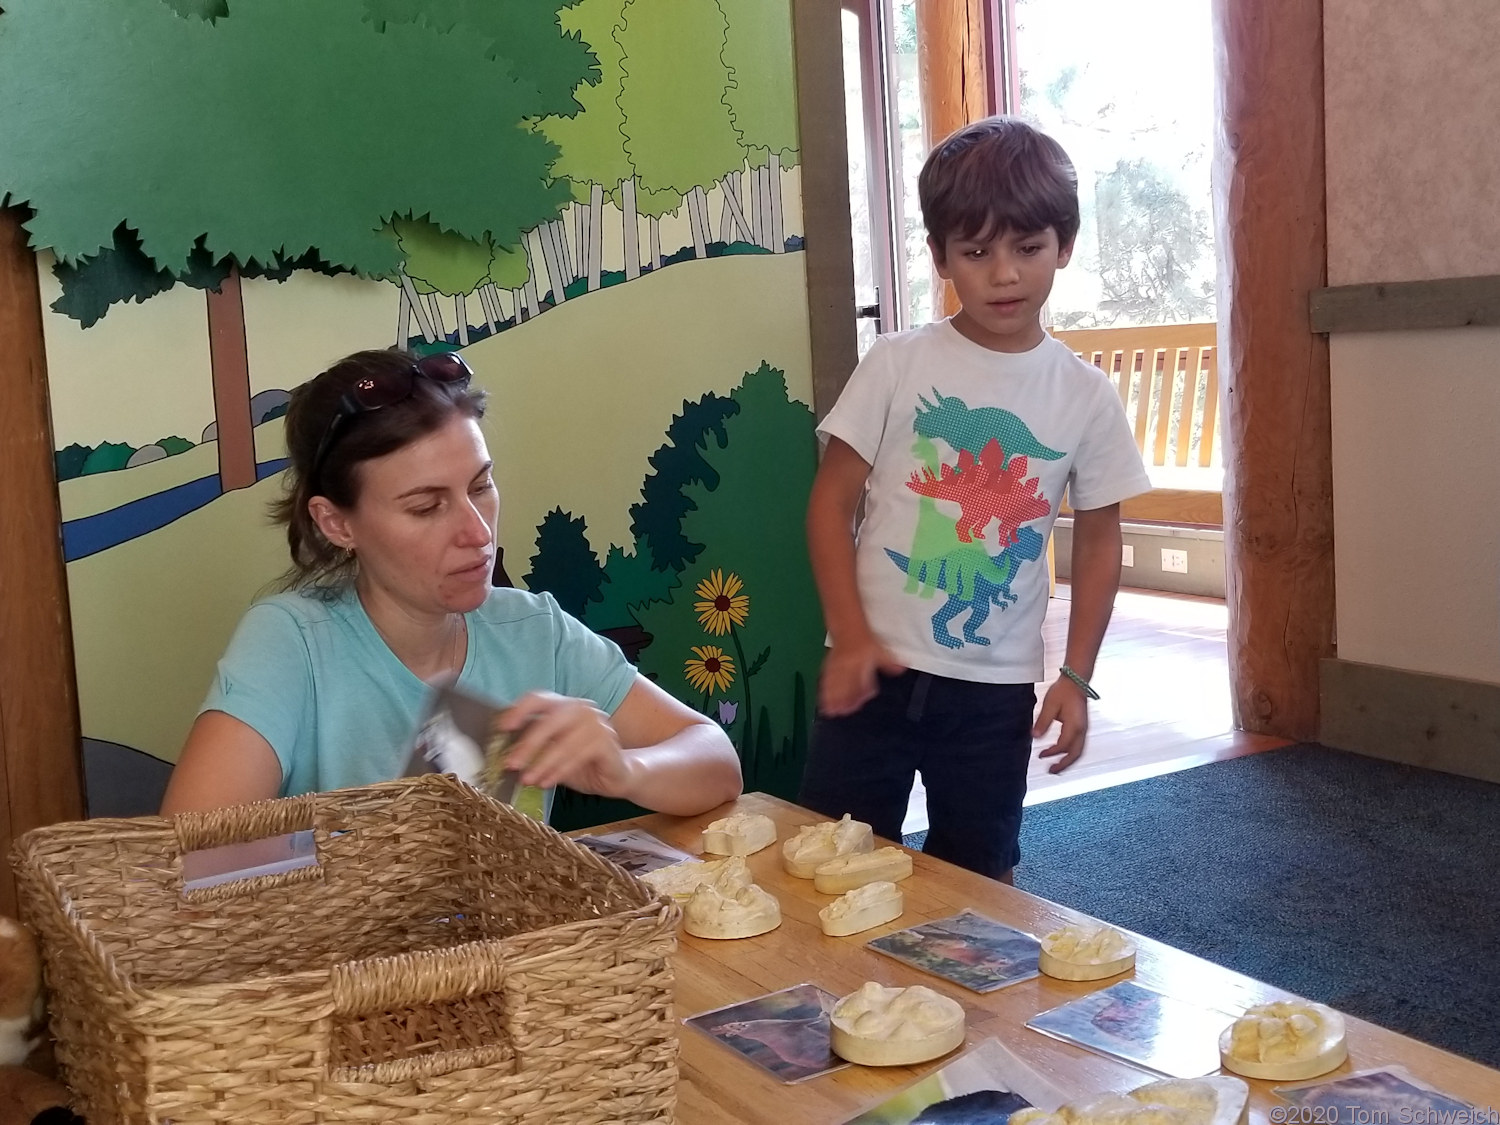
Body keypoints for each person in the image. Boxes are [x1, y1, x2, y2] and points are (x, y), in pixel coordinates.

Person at [161, 348, 742, 817]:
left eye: (481, 486)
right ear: (336, 523)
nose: (476, 531)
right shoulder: (292, 642)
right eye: (425, 507)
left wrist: (626, 770)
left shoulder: (533, 630)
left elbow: (717, 763)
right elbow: (188, 856)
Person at [799, 116, 1151, 882]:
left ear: (1064, 244)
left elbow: (1098, 539)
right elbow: (830, 505)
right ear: (940, 256)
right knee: (829, 862)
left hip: (994, 696)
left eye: (1027, 248)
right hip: (873, 672)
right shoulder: (896, 363)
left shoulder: (1085, 396)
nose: (1003, 274)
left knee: (977, 881)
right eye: (976, 251)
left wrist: (1078, 674)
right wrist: (850, 636)